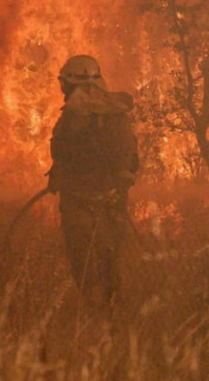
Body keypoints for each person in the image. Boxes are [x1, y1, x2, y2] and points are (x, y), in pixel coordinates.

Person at [47, 54, 139, 306]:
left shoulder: (74, 113)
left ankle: (93, 309)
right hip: (111, 199)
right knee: (110, 256)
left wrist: (60, 175)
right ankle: (111, 308)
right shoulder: (116, 111)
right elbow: (127, 156)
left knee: (83, 259)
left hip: (79, 198)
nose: (62, 87)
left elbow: (64, 150)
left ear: (74, 82)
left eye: (64, 82)